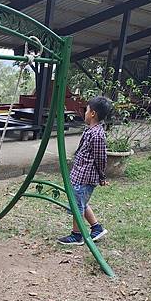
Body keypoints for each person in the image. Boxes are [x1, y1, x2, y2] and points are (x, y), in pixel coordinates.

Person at [58, 96, 112, 246]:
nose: (85, 112)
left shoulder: (97, 135)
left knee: (78, 205)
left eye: (87, 110)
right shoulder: (91, 130)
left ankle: (77, 235)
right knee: (82, 202)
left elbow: (101, 158)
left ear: (93, 113)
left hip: (85, 177)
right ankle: (96, 228)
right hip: (80, 174)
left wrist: (102, 177)